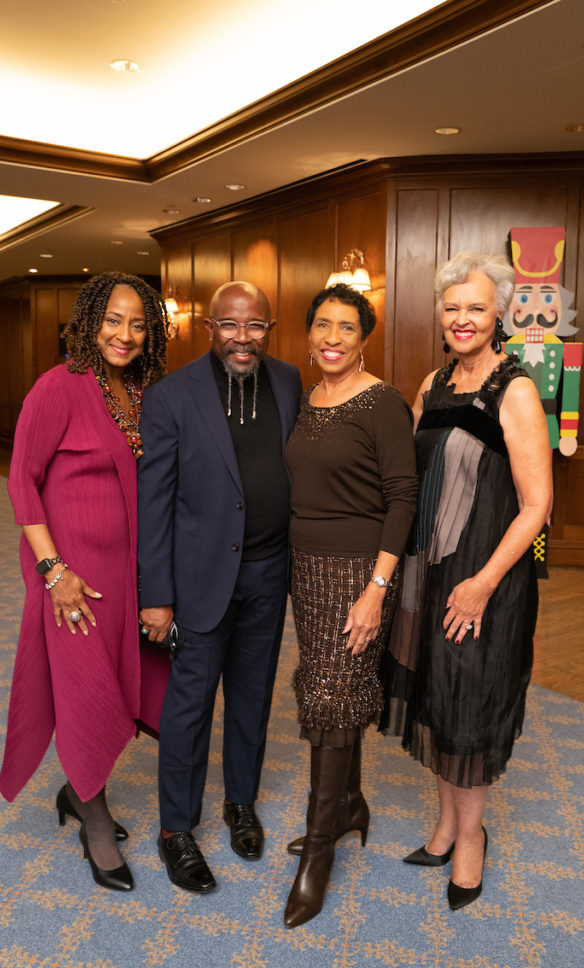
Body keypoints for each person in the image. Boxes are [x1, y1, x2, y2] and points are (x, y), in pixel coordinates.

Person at [380, 251, 553, 911]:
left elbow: (537, 504)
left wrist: (481, 583)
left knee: (472, 704)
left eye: (475, 308)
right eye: (452, 307)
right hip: (431, 570)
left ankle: (471, 837)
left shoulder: (515, 391)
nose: (461, 318)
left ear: (499, 313)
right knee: (439, 696)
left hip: (486, 576)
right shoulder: (433, 383)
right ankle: (448, 823)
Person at [0, 272, 171, 892]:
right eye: (113, 320)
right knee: (83, 691)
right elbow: (22, 481)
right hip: (70, 576)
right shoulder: (58, 386)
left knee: (129, 682)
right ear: (90, 320)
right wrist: (53, 572)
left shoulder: (142, 391)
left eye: (137, 324)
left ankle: (77, 790)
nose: (124, 334)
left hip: (126, 574)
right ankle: (94, 821)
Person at [137, 281, 302, 895]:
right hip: (199, 580)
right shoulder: (171, 396)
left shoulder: (287, 381)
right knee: (189, 709)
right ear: (209, 327)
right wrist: (155, 594)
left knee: (254, 698)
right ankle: (176, 831)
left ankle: (241, 805)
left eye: (255, 326)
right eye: (231, 325)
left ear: (269, 328)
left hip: (268, 572)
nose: (243, 337)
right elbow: (153, 505)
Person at [282, 283, 417, 928]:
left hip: (360, 573)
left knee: (333, 694)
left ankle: (317, 854)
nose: (331, 338)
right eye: (322, 326)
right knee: (330, 683)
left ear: (364, 340)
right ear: (309, 334)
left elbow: (403, 499)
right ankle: (351, 804)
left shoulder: (383, 402)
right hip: (304, 570)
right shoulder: (306, 401)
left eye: (346, 328)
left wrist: (376, 589)